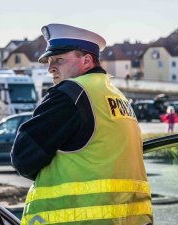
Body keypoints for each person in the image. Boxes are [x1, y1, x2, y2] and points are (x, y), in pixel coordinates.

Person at [10, 23, 153, 225]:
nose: (51, 68)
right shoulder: (117, 96)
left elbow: (23, 158)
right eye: (49, 61)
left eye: (59, 59)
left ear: (86, 61)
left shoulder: (71, 94)